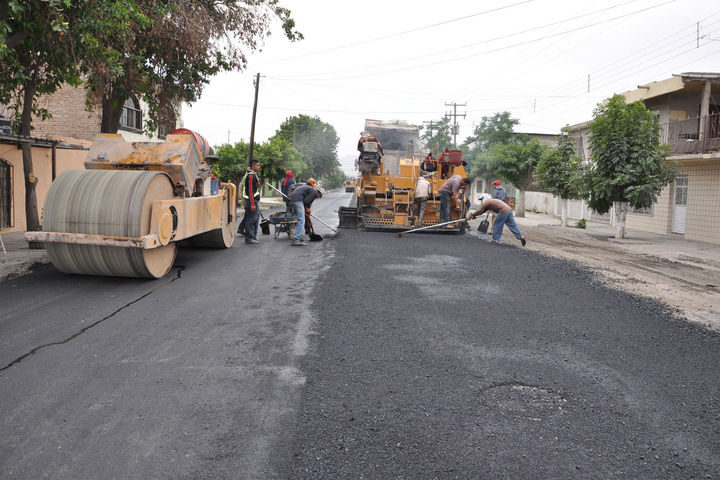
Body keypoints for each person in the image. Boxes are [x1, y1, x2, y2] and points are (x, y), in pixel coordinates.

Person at [240, 159, 261, 244]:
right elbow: (250, 190)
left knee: (255, 218)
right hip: (250, 201)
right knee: (251, 219)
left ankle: (253, 236)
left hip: (254, 200)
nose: (259, 167)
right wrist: (252, 204)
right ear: (253, 166)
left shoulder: (253, 174)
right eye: (257, 165)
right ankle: (249, 238)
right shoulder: (251, 176)